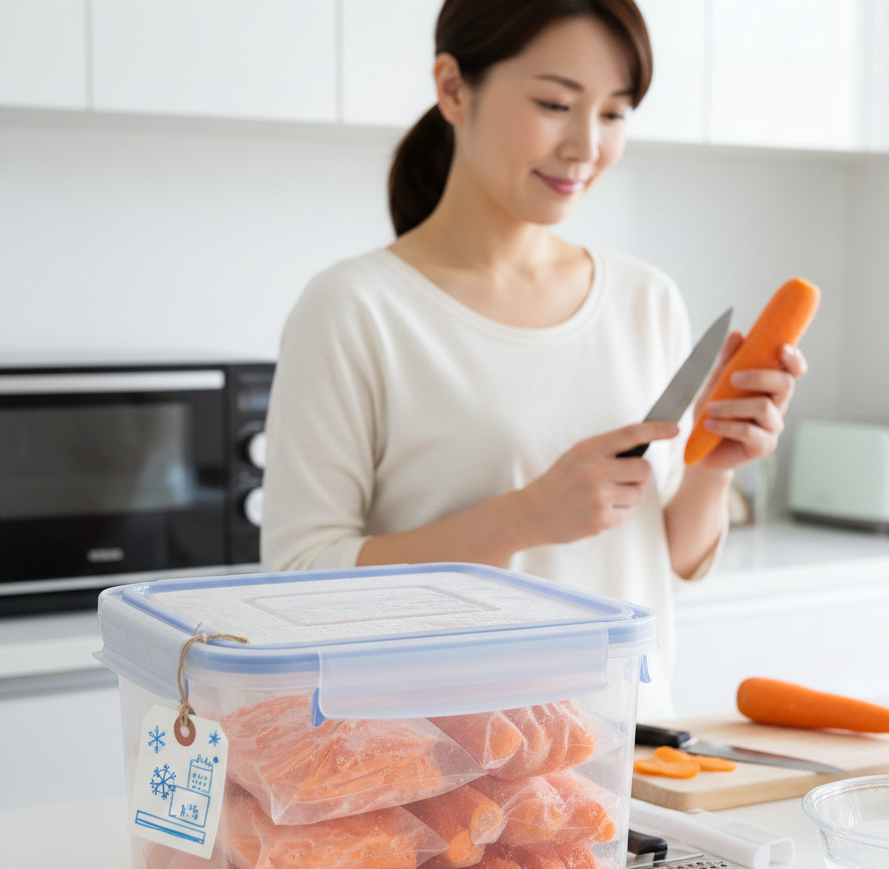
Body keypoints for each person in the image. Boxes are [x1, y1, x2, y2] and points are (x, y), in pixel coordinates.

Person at [261, 0, 807, 720]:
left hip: (630, 759)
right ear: (454, 88)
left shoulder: (647, 299)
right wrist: (520, 519)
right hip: (443, 779)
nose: (586, 145)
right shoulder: (355, 308)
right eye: (555, 103)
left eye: (614, 113)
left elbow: (661, 556)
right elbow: (300, 583)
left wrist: (715, 467)